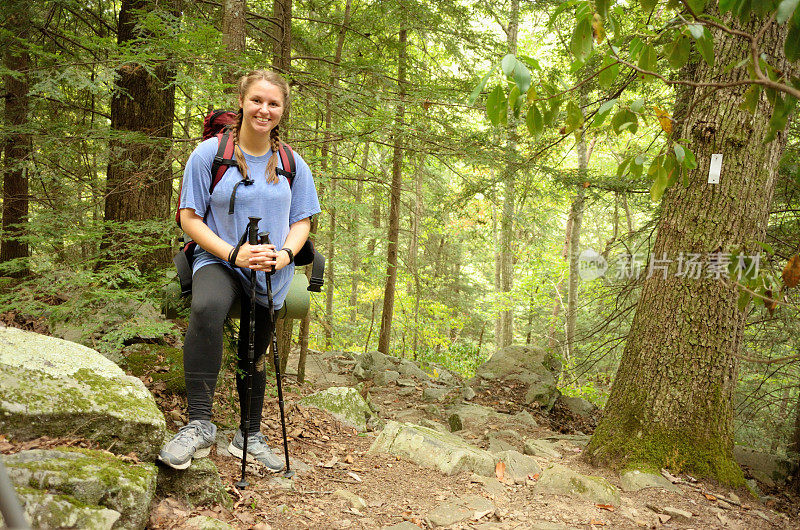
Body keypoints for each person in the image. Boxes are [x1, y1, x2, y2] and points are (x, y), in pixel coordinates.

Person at [158, 70, 320, 471]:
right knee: (206, 308)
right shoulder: (209, 155)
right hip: (219, 259)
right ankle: (199, 425)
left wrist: (283, 255)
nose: (264, 109)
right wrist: (233, 254)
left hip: (271, 270)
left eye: (273, 103)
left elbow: (303, 221)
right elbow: (189, 218)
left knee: (256, 344)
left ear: (282, 111)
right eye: (257, 101)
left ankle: (248, 434)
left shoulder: (292, 163)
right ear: (243, 102)